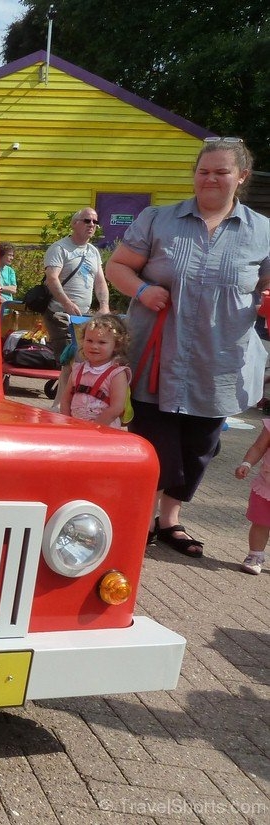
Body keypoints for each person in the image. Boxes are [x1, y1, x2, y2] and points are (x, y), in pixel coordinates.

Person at [106, 137, 270, 559]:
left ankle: (170, 521)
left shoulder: (264, 232)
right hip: (158, 356)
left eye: (221, 171)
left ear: (242, 177)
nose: (210, 178)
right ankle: (141, 520)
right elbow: (117, 265)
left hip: (221, 360)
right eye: (203, 170)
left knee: (200, 449)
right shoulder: (158, 219)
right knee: (155, 443)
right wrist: (142, 290)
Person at [42, 208, 110, 361]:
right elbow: (52, 279)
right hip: (60, 315)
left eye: (95, 221)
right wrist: (67, 303)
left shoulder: (93, 251)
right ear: (73, 224)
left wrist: (104, 306)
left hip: (83, 317)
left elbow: (100, 281)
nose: (91, 224)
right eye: (87, 220)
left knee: (83, 361)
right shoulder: (59, 248)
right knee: (68, 362)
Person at [57, 314, 130, 428]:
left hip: (102, 432)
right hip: (75, 428)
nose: (94, 346)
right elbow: (65, 400)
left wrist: (93, 429)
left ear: (116, 345)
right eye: (89, 340)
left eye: (102, 342)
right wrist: (67, 423)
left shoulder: (117, 374)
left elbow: (117, 408)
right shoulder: (77, 370)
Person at [234, 422, 270, 575]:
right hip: (266, 487)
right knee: (260, 523)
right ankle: (255, 555)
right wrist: (247, 463)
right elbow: (258, 447)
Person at [0, 241, 17, 306]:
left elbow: (14, 289)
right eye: (9, 255)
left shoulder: (10, 271)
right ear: (1, 254)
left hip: (9, 307)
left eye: (12, 255)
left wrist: (0, 288)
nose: (12, 258)